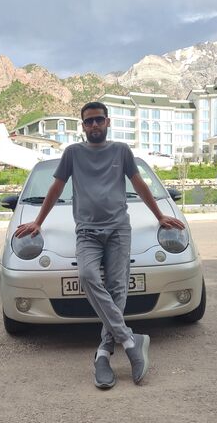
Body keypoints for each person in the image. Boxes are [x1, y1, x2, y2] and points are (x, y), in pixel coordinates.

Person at [15, 101, 185, 389]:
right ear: (83, 126)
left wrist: (160, 216)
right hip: (87, 232)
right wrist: (38, 222)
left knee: (118, 289)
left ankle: (104, 353)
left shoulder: (121, 151)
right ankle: (130, 341)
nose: (94, 125)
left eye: (98, 120)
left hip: (119, 230)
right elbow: (56, 187)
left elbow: (139, 184)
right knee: (87, 276)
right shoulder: (73, 153)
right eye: (88, 121)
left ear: (108, 122)